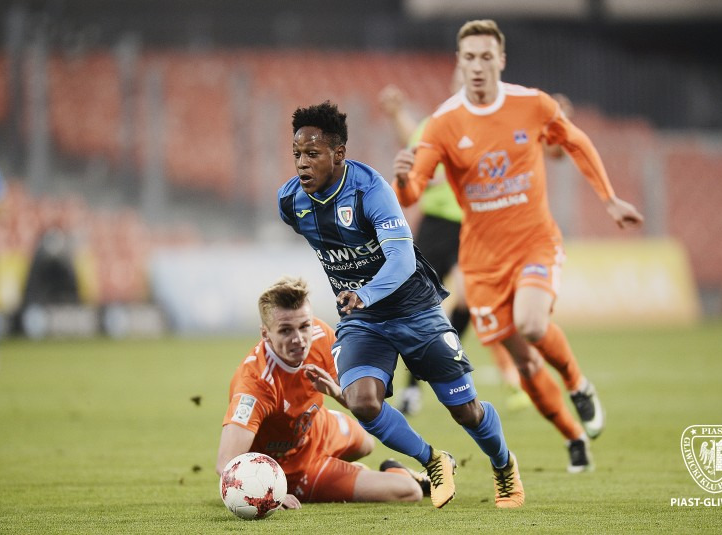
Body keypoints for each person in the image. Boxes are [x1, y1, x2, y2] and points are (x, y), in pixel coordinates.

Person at [393, 19, 644, 473]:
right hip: (482, 262)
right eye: (470, 57)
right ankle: (572, 436)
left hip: (534, 243)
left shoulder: (532, 104)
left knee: (531, 323)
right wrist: (402, 178)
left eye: (486, 57)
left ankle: (577, 383)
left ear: (502, 60)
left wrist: (609, 199)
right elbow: (413, 192)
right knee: (525, 365)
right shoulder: (443, 123)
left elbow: (574, 142)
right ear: (459, 62)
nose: (478, 66)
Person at [277, 101, 524, 509]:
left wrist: (365, 291)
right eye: (297, 154)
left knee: (465, 410)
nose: (302, 163)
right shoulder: (291, 201)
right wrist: (359, 297)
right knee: (362, 401)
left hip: (415, 311)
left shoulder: (370, 191)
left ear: (339, 154)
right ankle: (433, 460)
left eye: (313, 154)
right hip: (363, 320)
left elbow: (403, 260)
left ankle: (503, 463)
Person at [378, 80, 531, 415]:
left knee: (470, 301)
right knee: (418, 305)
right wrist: (398, 115)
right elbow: (416, 142)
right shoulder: (439, 123)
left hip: (472, 226)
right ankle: (413, 386)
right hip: (436, 225)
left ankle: (452, 367)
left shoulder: (490, 127)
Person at [216, 276, 429, 508]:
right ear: (266, 334)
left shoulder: (319, 334)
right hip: (294, 468)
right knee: (409, 491)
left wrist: (336, 392)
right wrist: (272, 490)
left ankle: (346, 473)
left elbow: (357, 401)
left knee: (366, 443)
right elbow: (226, 463)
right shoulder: (256, 385)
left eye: (304, 326)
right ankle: (389, 472)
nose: (299, 339)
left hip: (318, 427)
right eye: (285, 330)